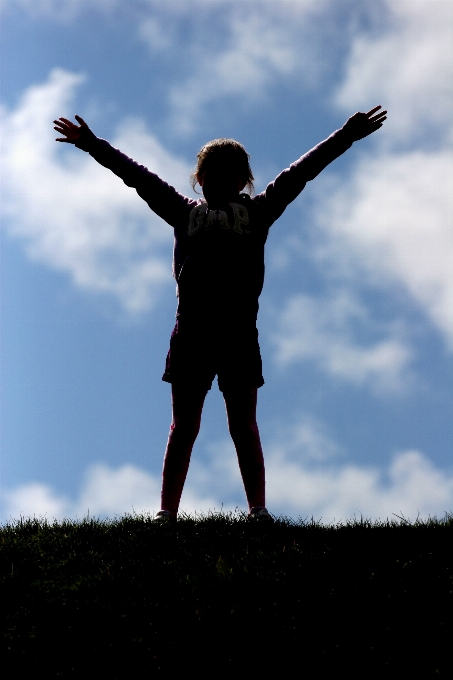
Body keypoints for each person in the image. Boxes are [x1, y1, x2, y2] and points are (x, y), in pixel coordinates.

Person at [53, 105, 387, 522]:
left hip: (239, 335)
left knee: (243, 426)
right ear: (199, 179)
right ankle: (167, 513)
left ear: (244, 180)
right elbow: (137, 177)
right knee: (183, 428)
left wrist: (346, 135)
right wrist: (92, 144)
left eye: (231, 175)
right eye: (211, 175)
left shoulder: (259, 211)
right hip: (191, 333)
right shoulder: (183, 211)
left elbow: (301, 171)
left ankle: (257, 510)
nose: (220, 182)